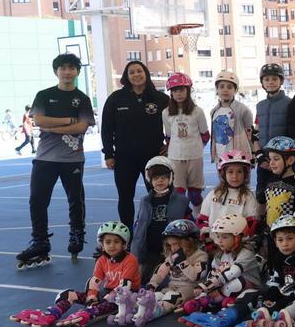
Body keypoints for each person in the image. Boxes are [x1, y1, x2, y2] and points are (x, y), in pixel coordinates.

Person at [16, 53, 95, 269]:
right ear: (56, 71)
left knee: (75, 199)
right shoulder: (44, 95)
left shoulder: (83, 99)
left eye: (71, 68)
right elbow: (38, 119)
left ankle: (77, 234)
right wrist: (68, 120)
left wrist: (52, 128)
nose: (67, 72)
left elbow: (82, 127)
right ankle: (40, 240)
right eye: (63, 68)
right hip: (45, 157)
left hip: (72, 158)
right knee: (37, 200)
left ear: (77, 71)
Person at [10, 222, 139, 327]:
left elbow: (125, 285)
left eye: (116, 242)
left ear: (124, 244)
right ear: (102, 244)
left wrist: (106, 298)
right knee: (67, 294)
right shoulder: (102, 260)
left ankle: (88, 313)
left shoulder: (130, 259)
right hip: (107, 292)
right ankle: (51, 314)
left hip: (126, 296)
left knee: (112, 299)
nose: (112, 245)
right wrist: (92, 297)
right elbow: (95, 280)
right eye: (108, 242)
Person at [102, 61, 172, 226]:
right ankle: (126, 233)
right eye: (131, 72)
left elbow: (175, 123)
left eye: (139, 71)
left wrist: (170, 144)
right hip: (124, 157)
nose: (136, 75)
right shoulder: (115, 99)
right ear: (126, 77)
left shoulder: (161, 99)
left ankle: (160, 231)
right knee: (125, 197)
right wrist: (108, 154)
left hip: (154, 156)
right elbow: (106, 128)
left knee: (160, 194)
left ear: (145, 73)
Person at [178, 214, 262, 323]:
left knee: (235, 282)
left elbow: (232, 273)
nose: (219, 241)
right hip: (227, 289)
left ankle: (222, 309)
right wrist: (206, 291)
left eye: (225, 237)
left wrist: (205, 286)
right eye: (218, 236)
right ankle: (202, 302)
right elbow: (214, 273)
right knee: (216, 281)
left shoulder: (246, 254)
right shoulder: (220, 254)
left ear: (238, 237)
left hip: (249, 289)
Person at [129, 155, 193, 281]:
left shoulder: (181, 201)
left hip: (172, 250)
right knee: (144, 280)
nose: (160, 181)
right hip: (151, 249)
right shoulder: (145, 201)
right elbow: (139, 226)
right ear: (150, 179)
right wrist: (136, 250)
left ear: (170, 178)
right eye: (156, 178)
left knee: (171, 281)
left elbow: (189, 223)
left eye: (163, 177)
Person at [133, 219, 207, 326]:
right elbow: (162, 270)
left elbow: (195, 276)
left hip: (189, 289)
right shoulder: (172, 255)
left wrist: (182, 261)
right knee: (158, 295)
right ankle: (137, 306)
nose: (173, 248)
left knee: (171, 296)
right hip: (172, 287)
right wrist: (152, 284)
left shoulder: (200, 256)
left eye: (176, 244)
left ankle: (156, 311)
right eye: (170, 245)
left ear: (190, 241)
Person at [161, 72, 209, 208]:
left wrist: (196, 148)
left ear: (188, 90)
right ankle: (183, 218)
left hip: (195, 157)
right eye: (175, 90)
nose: (178, 94)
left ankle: (199, 217)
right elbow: (169, 136)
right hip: (175, 158)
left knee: (194, 195)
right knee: (179, 194)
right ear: (171, 93)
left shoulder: (197, 111)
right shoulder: (166, 113)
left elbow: (205, 135)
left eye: (181, 90)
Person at [197, 150, 261, 243]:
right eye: (230, 172)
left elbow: (252, 225)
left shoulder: (248, 197)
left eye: (239, 172)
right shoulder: (214, 194)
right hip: (214, 243)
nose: (235, 176)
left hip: (238, 245)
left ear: (245, 174)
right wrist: (208, 241)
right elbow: (202, 220)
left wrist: (236, 243)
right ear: (223, 174)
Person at [254, 62, 291, 204]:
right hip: (264, 159)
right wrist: (260, 156)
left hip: (282, 160)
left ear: (281, 81)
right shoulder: (260, 106)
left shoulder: (289, 103)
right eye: (267, 79)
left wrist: (285, 159)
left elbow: (292, 133)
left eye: (275, 79)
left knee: (282, 196)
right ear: (262, 82)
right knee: (261, 195)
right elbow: (255, 132)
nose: (270, 82)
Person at [209, 70, 254, 166]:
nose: (225, 90)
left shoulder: (243, 110)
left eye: (229, 87)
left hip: (237, 156)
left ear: (235, 90)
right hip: (220, 156)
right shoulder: (214, 111)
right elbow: (214, 135)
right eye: (221, 87)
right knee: (222, 176)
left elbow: (250, 133)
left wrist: (252, 154)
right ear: (217, 89)